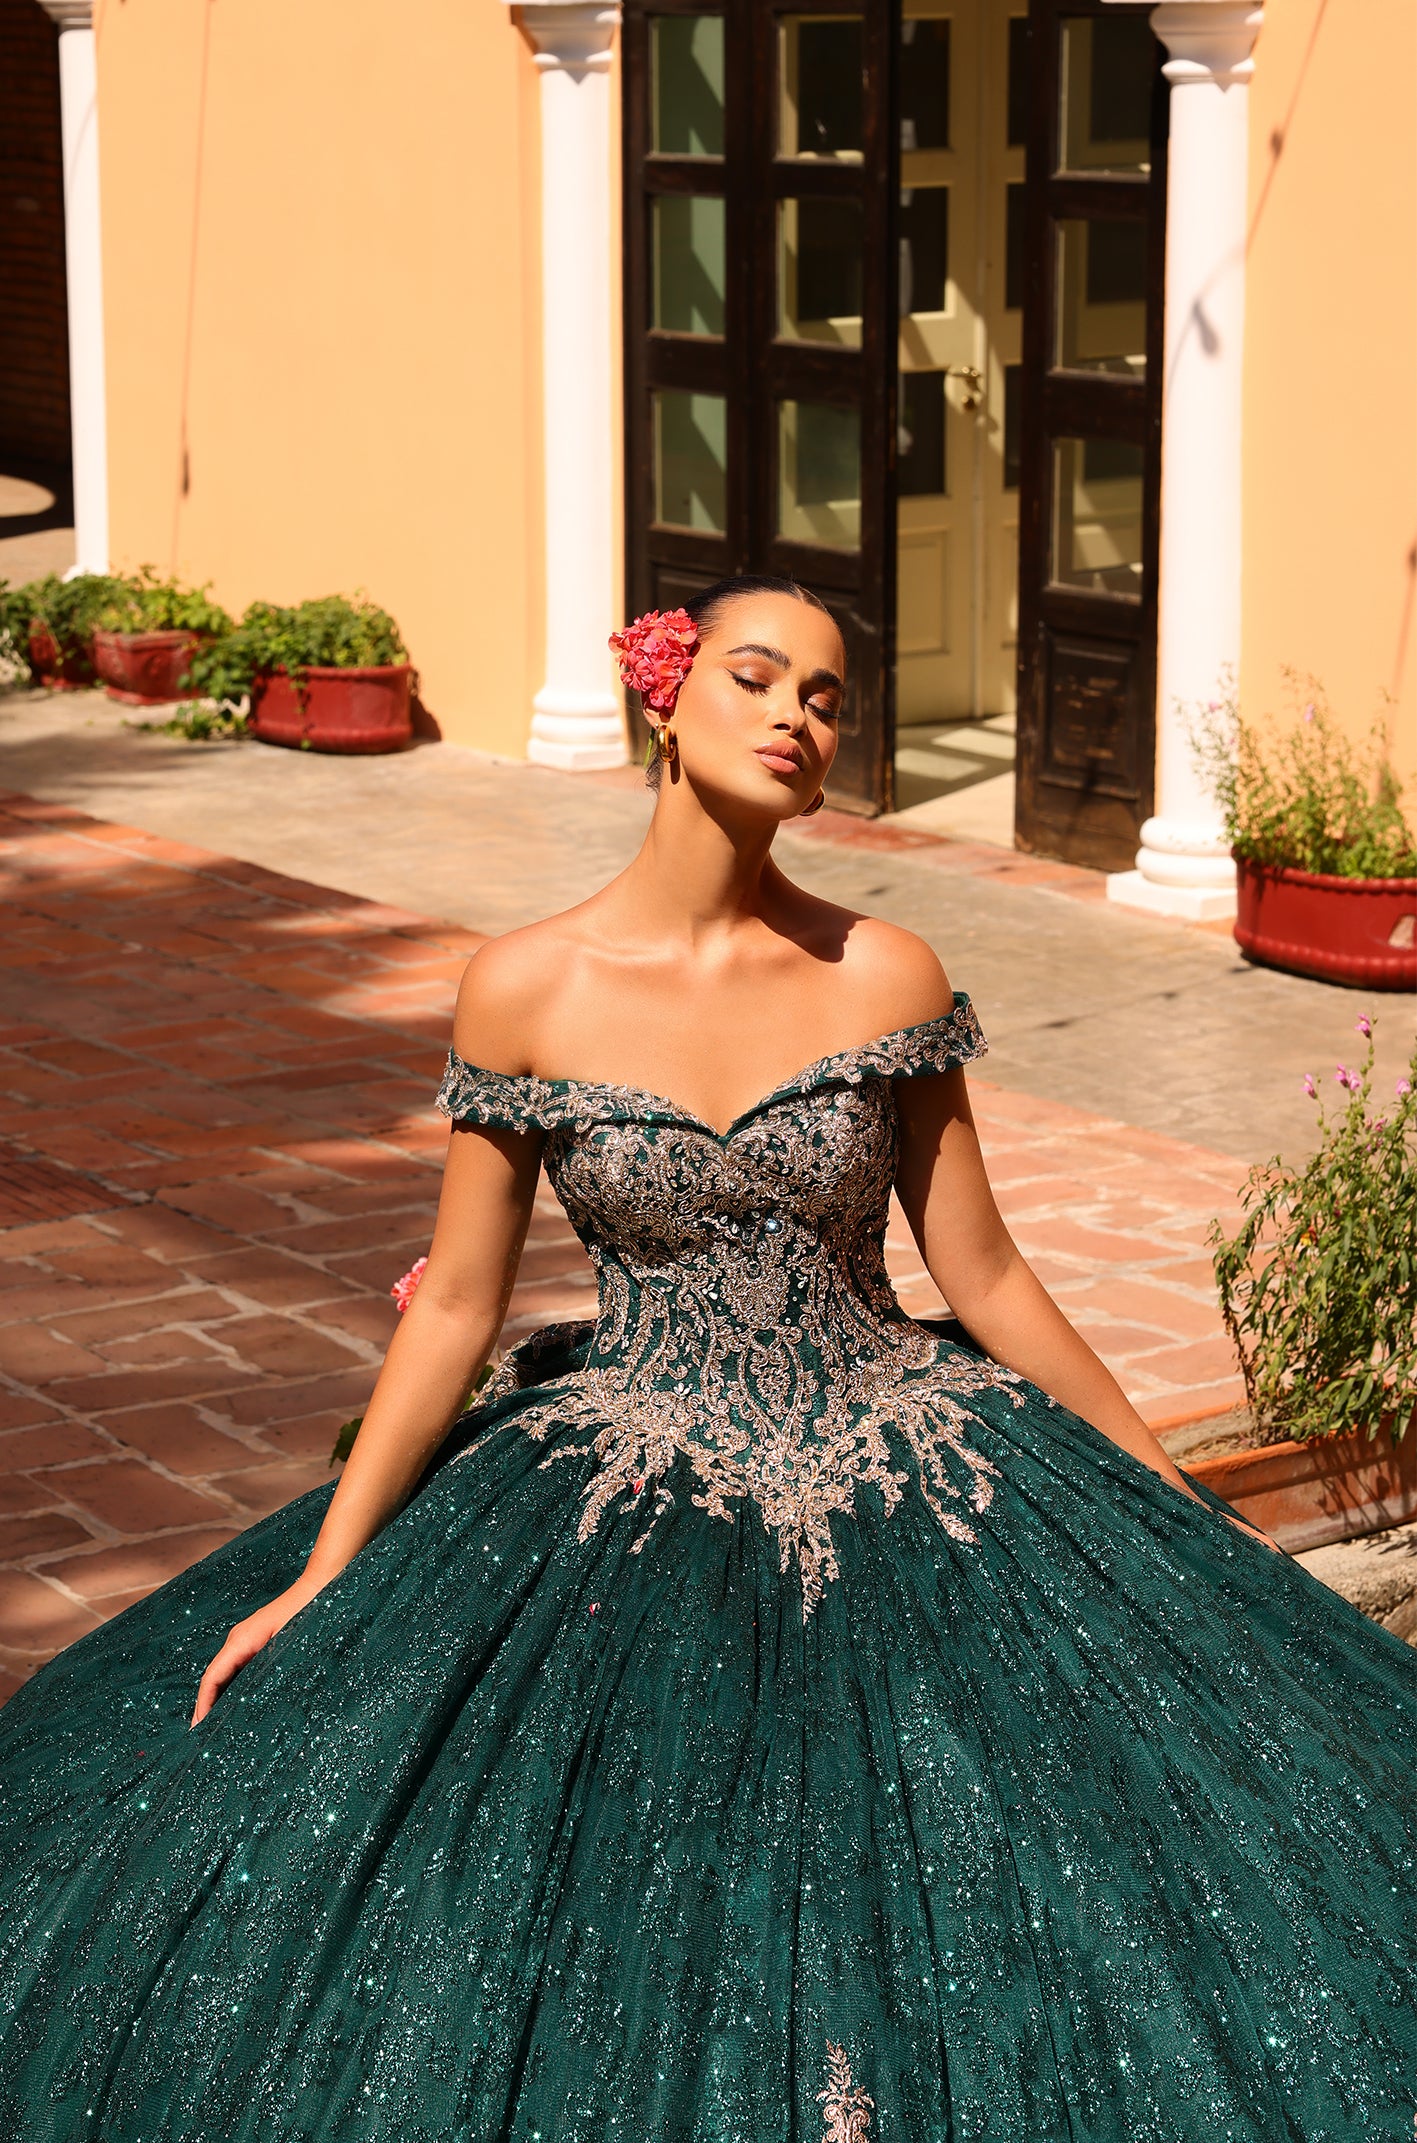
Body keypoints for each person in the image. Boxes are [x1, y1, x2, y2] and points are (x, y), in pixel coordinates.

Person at [0, 574, 1413, 2142]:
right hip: (626, 1469)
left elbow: (986, 1272)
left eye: (825, 697)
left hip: (907, 1443)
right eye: (756, 677)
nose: (795, 716)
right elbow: (457, 1306)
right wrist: (327, 1578)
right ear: (663, 699)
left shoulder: (885, 972)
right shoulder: (527, 986)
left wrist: (1161, 1494)